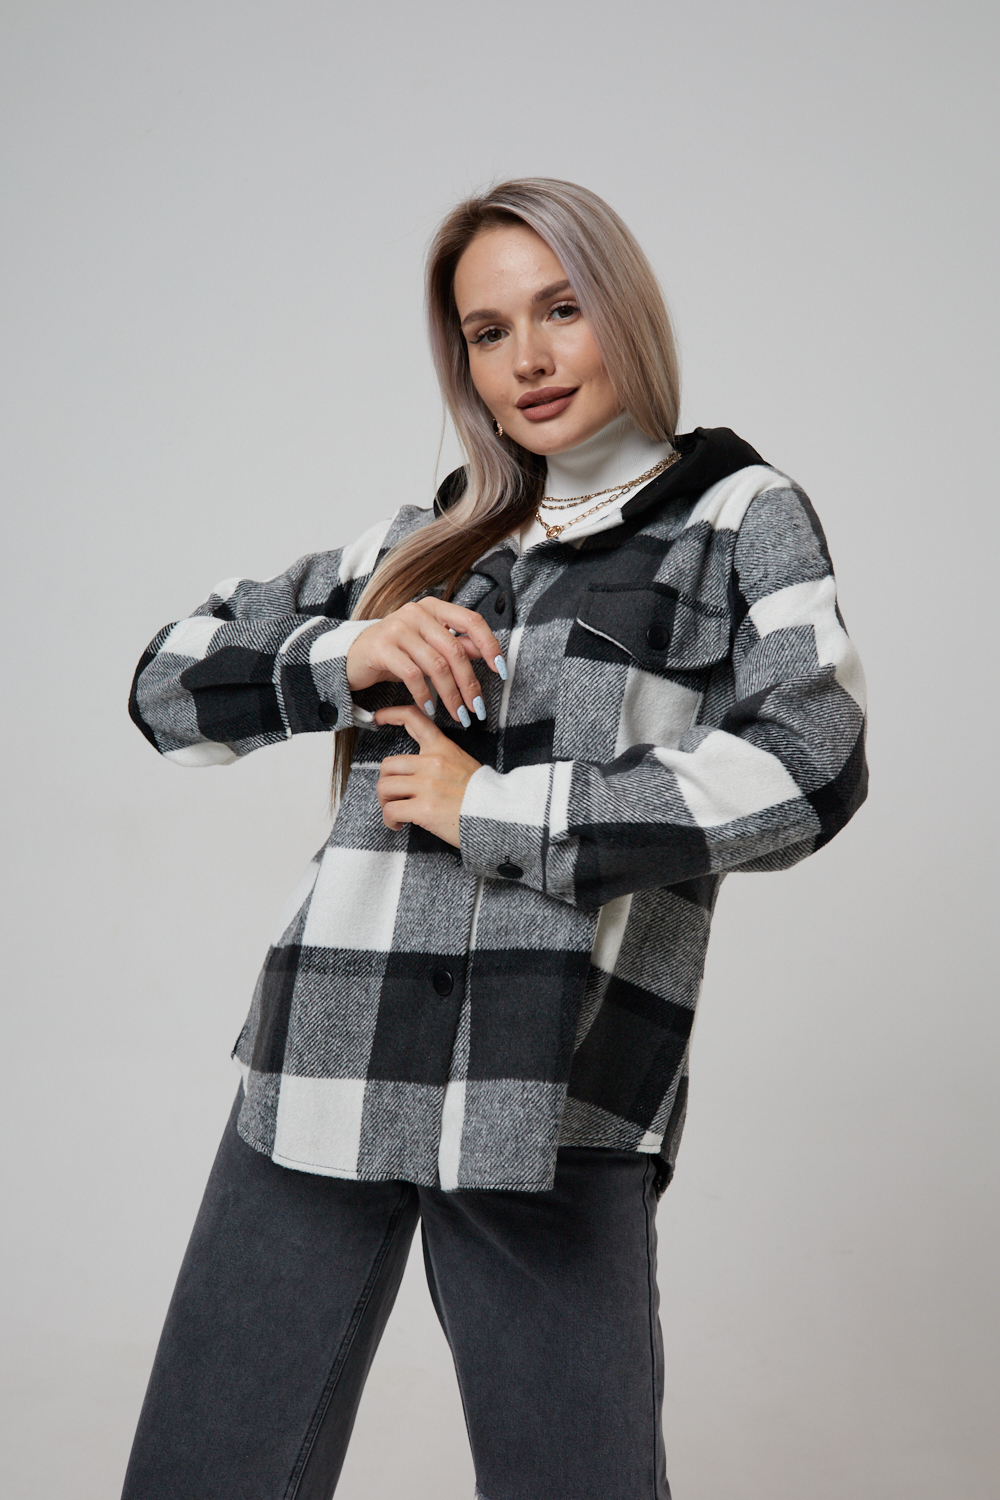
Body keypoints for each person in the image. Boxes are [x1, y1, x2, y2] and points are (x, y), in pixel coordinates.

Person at [123, 177, 867, 1500]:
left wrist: (499, 811)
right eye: (487, 330)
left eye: (561, 310)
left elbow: (812, 765)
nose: (527, 358)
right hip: (325, 1060)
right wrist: (350, 653)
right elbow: (164, 689)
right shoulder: (427, 538)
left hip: (558, 1086)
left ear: (624, 310)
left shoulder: (737, 519)